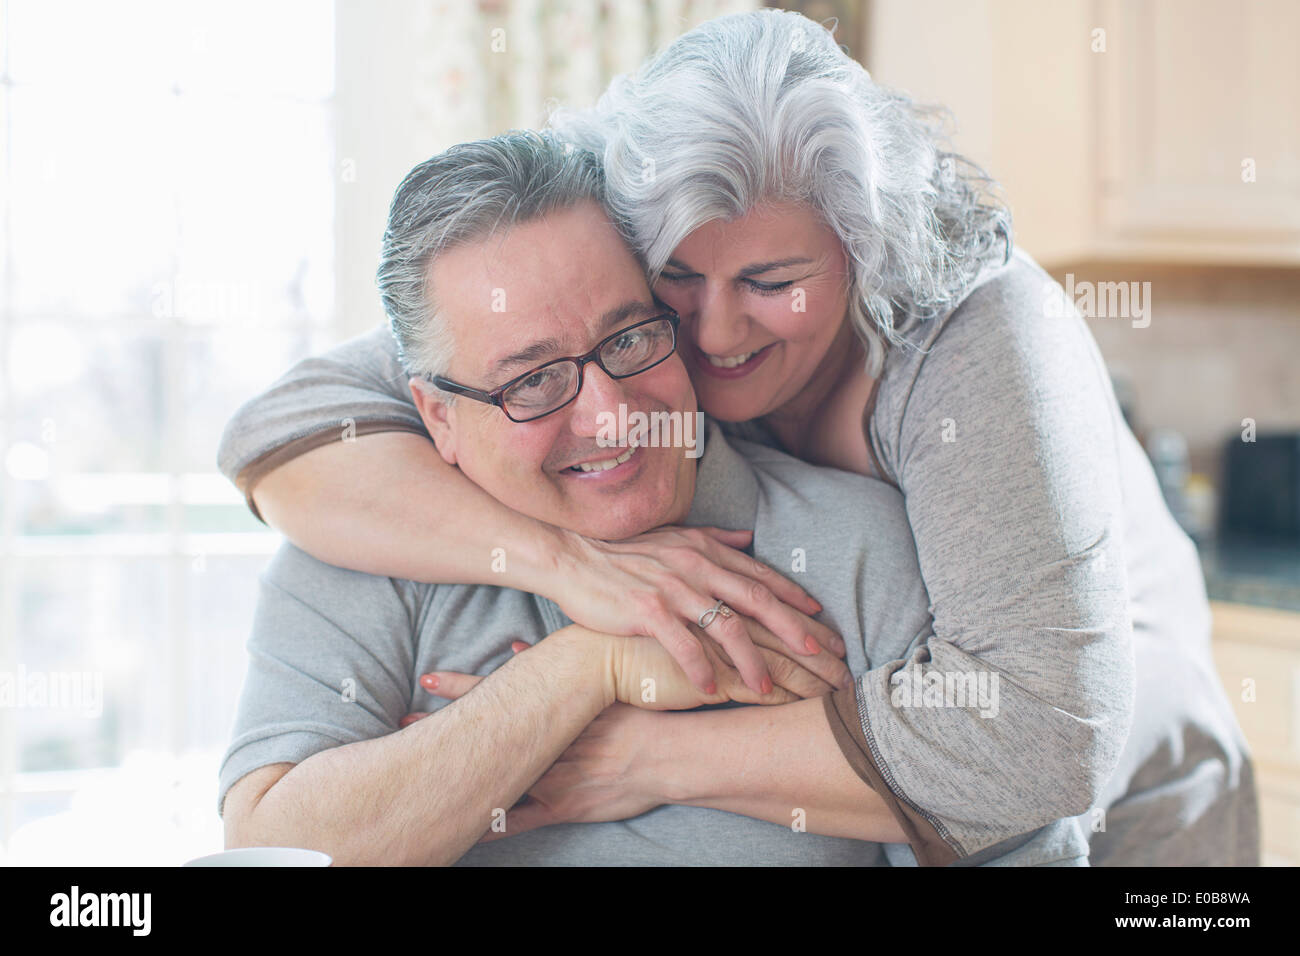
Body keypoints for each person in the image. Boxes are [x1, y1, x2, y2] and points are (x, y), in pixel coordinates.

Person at [219, 10, 1257, 864]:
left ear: (861, 247)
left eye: (772, 283)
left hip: (1131, 784)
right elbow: (282, 432)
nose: (710, 334)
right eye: (673, 286)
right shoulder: (572, 263)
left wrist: (632, 752)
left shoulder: (975, 344)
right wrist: (578, 587)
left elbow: (1041, 744)